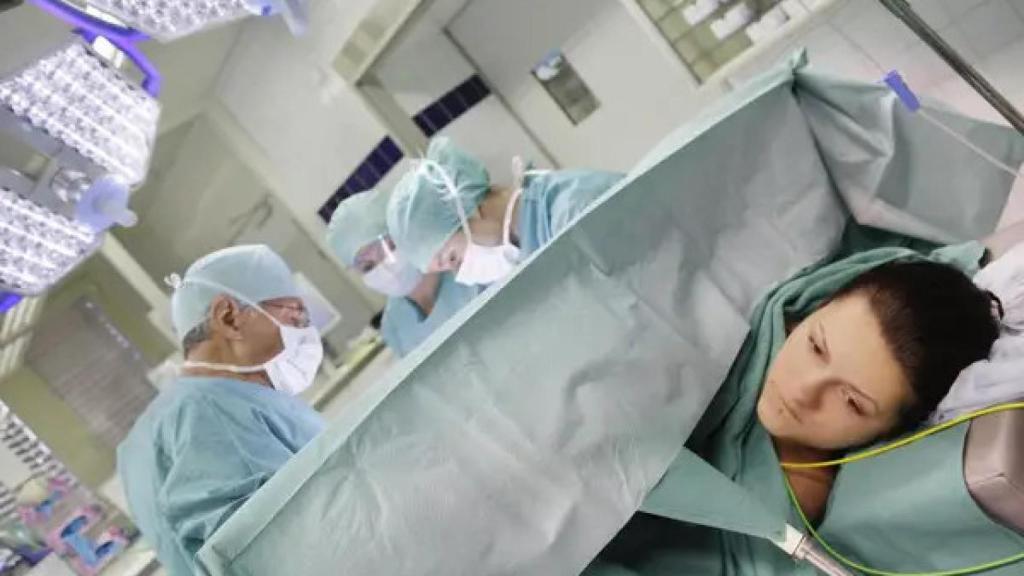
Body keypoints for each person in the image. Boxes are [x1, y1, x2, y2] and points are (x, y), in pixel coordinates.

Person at [590, 242, 1002, 575]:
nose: (804, 390)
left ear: (891, 431)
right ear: (818, 306)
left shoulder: (793, 510)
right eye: (816, 346)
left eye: (852, 401)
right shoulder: (756, 324)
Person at [117, 245, 326, 576]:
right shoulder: (211, 412)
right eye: (294, 316)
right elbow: (287, 549)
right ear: (229, 317)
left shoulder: (147, 439)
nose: (305, 332)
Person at [387, 137, 624, 286]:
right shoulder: (528, 249)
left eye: (452, 258)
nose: (462, 275)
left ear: (470, 211)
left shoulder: (574, 211)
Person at [326, 189, 481, 357]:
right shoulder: (394, 325)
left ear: (404, 229)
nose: (385, 267)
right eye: (368, 266)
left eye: (389, 247)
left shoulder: (469, 264)